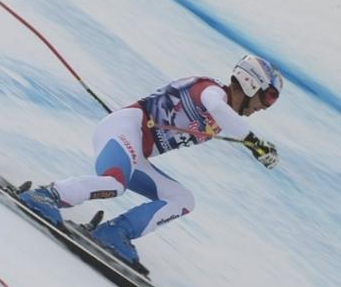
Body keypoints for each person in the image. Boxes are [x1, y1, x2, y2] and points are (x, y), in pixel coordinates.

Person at [19, 55, 283, 271]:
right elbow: (217, 108)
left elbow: (221, 118)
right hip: (122, 130)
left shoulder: (219, 117)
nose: (264, 106)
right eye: (267, 96)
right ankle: (46, 195)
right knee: (115, 184)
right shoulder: (211, 91)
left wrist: (253, 143)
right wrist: (254, 143)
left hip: (136, 153)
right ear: (250, 83)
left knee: (183, 199)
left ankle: (115, 233)